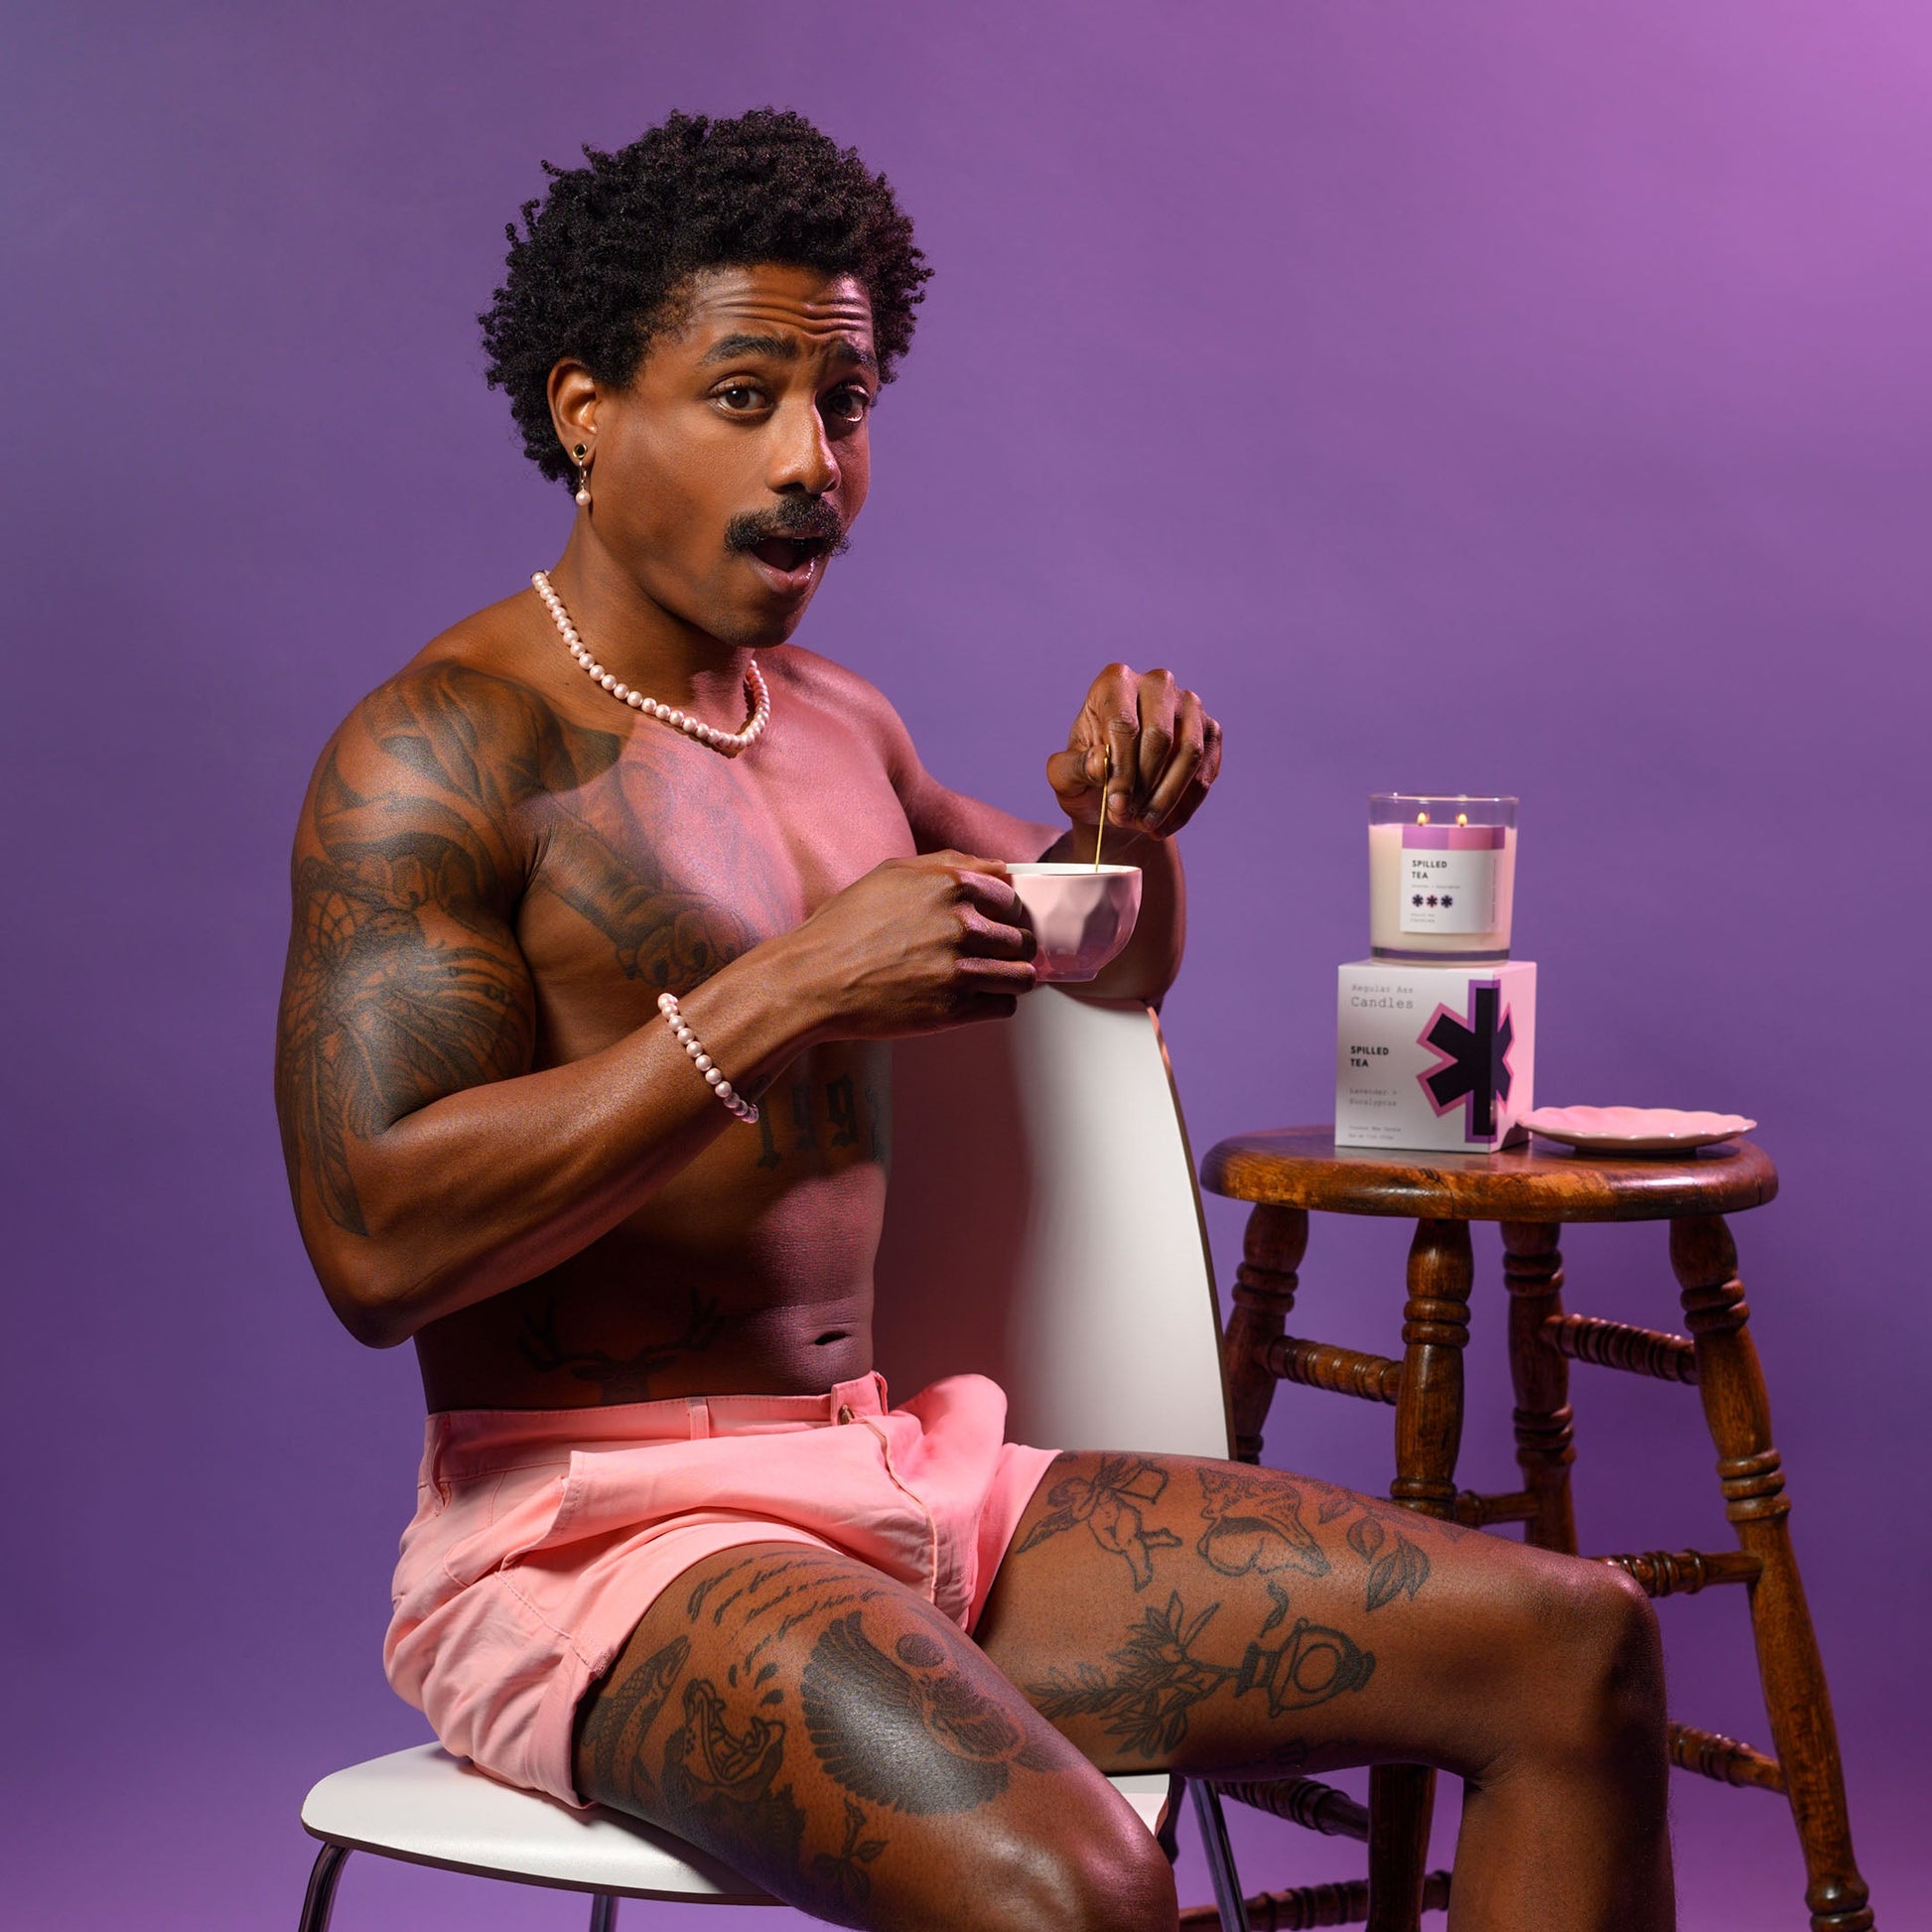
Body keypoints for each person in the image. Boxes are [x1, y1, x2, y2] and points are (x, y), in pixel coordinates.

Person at [275, 109, 1672, 1932]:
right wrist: (787, 989)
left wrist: (1122, 830)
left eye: (844, 404)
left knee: (1573, 1647)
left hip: (904, 1476)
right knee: (1081, 1892)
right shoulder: (441, 748)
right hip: (599, 1538)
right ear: (585, 411)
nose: (812, 464)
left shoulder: (837, 723)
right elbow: (373, 1245)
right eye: (745, 397)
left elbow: (1109, 961)